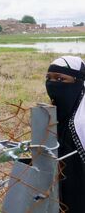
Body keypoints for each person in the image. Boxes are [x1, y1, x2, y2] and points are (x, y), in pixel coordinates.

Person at [45, 56, 85, 213]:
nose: (53, 83)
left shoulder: (81, 120)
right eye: (49, 78)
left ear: (79, 81)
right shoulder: (56, 113)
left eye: (61, 79)